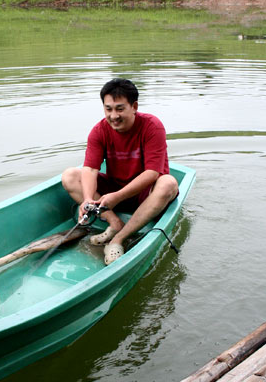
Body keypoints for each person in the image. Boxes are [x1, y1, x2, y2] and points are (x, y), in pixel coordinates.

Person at [61, 78, 178, 265]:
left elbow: (152, 173)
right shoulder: (99, 131)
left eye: (120, 108)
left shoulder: (152, 126)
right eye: (108, 109)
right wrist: (88, 199)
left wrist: (117, 197)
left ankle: (118, 239)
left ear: (134, 106)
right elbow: (90, 168)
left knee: (168, 183)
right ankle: (114, 223)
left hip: (145, 193)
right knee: (70, 176)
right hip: (114, 190)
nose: (113, 115)